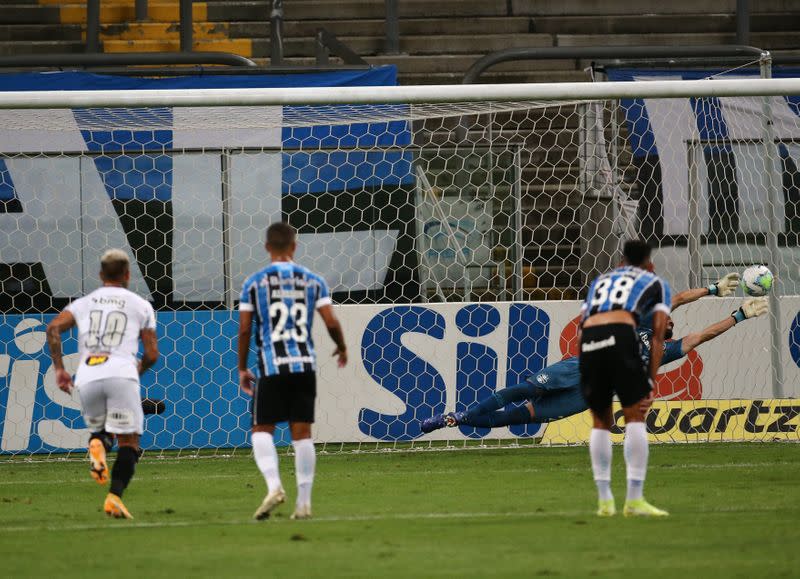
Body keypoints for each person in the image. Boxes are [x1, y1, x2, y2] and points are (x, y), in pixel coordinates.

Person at [420, 273, 763, 433]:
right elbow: (676, 299)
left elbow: (702, 335)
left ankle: (454, 419)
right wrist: (714, 288)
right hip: (578, 369)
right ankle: (460, 415)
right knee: (522, 389)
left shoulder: (665, 351)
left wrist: (739, 316)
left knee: (512, 418)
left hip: (587, 396)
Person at [238, 222, 347, 521]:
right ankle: (304, 503)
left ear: (266, 247)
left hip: (272, 367)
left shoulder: (254, 283)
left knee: (262, 430)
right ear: (294, 246)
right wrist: (342, 347)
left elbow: (246, 327)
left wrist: (241, 367)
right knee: (302, 435)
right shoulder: (313, 280)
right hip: (304, 366)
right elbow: (331, 322)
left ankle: (274, 486)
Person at [46, 249, 159, 519]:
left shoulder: (84, 303)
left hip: (88, 375)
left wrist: (60, 369)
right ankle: (114, 498)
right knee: (130, 442)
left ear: (100, 275)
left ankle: (97, 445)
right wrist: (136, 371)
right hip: (121, 372)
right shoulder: (140, 305)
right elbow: (152, 353)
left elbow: (52, 329)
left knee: (102, 431)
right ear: (128, 275)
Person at [578, 239, 675, 517]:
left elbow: (581, 327)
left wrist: (585, 363)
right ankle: (633, 499)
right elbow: (658, 336)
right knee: (634, 415)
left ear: (621, 261)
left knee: (600, 421)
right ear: (650, 263)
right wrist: (650, 383)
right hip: (621, 333)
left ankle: (604, 500)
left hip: (590, 339)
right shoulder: (655, 282)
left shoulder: (601, 280)